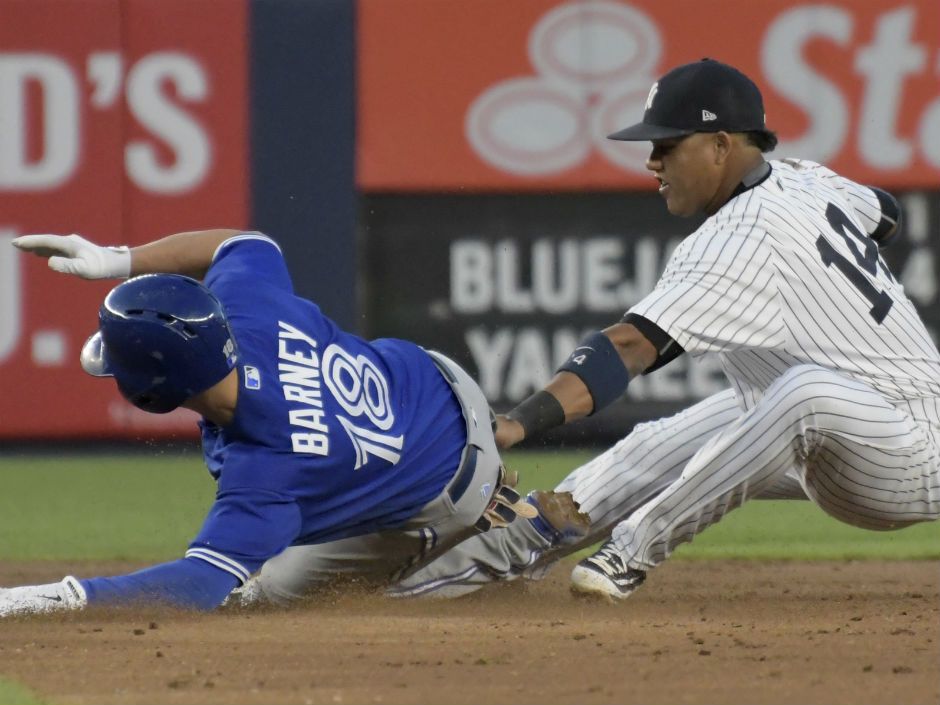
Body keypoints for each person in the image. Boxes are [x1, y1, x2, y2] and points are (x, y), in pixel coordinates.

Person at [388, 58, 940, 601]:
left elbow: (626, 348)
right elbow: (885, 214)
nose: (652, 163)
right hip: (857, 425)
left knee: (803, 393)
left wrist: (517, 423)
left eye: (667, 146)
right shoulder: (806, 176)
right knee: (655, 447)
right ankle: (475, 563)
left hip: (909, 453)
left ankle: (631, 553)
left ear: (720, 146)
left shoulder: (741, 237)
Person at [0, 228, 590, 616]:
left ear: (153, 394)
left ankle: (517, 533)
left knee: (268, 600)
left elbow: (198, 586)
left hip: (452, 485)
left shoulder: (266, 474)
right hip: (442, 383)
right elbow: (244, 242)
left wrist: (48, 600)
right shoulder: (249, 308)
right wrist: (118, 260)